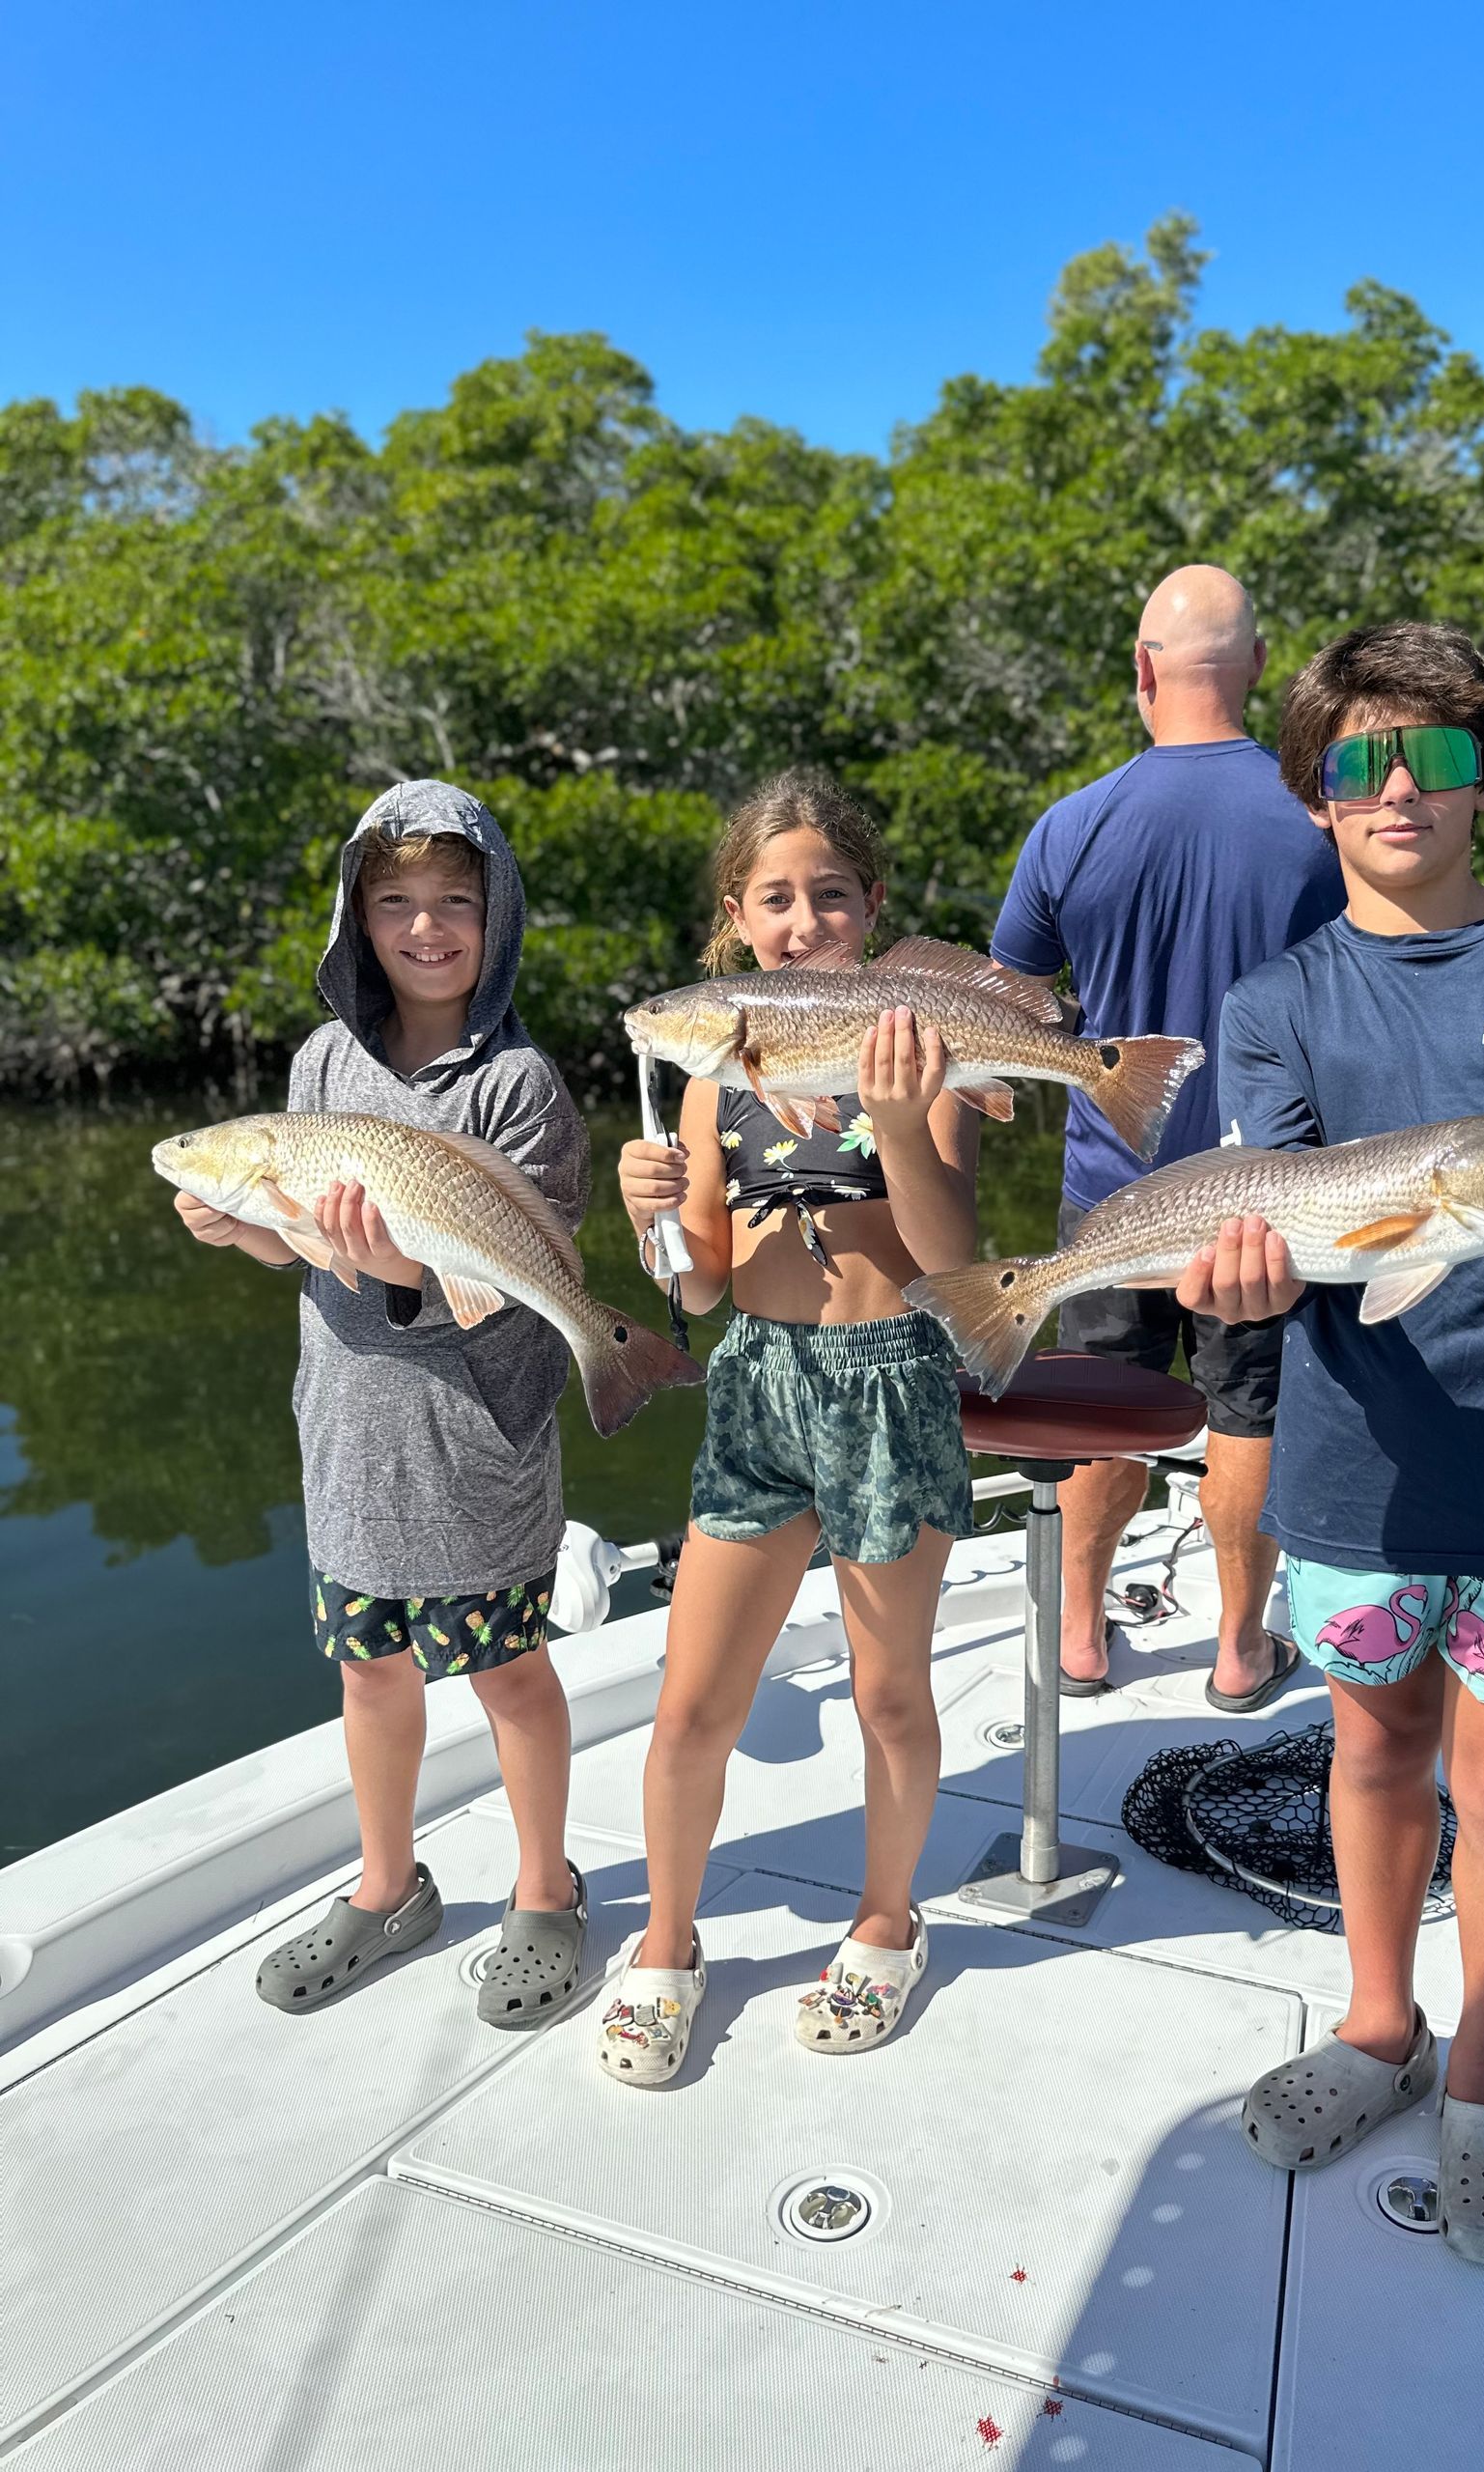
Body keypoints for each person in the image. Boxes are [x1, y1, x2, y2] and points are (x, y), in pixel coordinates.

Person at [1177, 622, 1484, 2262]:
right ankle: (1380, 2024)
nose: (1400, 790)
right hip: (1356, 1467)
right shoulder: (1274, 1001)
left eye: (1439, 756)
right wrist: (1240, 1284)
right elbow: (1273, 1219)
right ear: (1314, 794)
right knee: (1375, 1755)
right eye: (1361, 761)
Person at [172, 780, 591, 2024]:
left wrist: (403, 1262)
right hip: (349, 1429)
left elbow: (525, 1278)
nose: (425, 927)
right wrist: (241, 1225)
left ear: (496, 916)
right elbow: (307, 1245)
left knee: (509, 1672)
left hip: (476, 1431)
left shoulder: (519, 1084)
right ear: (357, 919)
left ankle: (545, 1885)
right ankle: (387, 1883)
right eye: (395, 900)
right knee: (369, 1675)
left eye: (455, 900)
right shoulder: (319, 1062)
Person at [602, 768, 978, 2085]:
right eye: (775, 899)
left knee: (889, 1692)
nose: (803, 920)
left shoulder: (920, 1052)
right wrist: (653, 1214)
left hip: (894, 1378)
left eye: (829, 895)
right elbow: (700, 1286)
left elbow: (952, 1261)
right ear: (737, 919)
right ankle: (665, 1942)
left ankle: (887, 1920)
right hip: (757, 1381)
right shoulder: (713, 1082)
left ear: (871, 907)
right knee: (692, 1703)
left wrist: (897, 1121)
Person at [990, 564, 1344, 1707]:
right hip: (1270, 1194)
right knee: (1250, 1410)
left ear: (1141, 670)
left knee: (1101, 1402)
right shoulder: (1321, 822)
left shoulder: (1071, 824)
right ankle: (1240, 1650)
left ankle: (1079, 1637)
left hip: (1113, 1187)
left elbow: (1011, 1006)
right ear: (1259, 668)